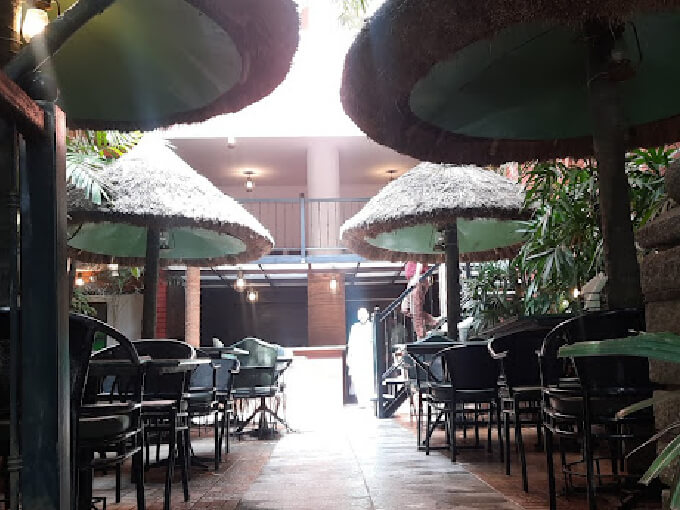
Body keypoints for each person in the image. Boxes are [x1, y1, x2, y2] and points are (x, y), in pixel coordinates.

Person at [346, 307, 375, 408]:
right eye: (360, 314)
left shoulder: (372, 326)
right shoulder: (354, 327)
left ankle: (370, 400)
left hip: (368, 356)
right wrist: (349, 357)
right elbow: (351, 344)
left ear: (367, 315)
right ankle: (361, 401)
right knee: (358, 379)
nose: (362, 316)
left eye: (364, 314)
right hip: (357, 356)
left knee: (369, 379)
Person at [404, 261, 438, 339]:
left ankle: (421, 335)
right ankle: (432, 320)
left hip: (418, 279)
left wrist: (416, 276)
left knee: (416, 308)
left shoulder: (415, 252)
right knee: (405, 308)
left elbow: (420, 261)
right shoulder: (408, 255)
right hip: (412, 280)